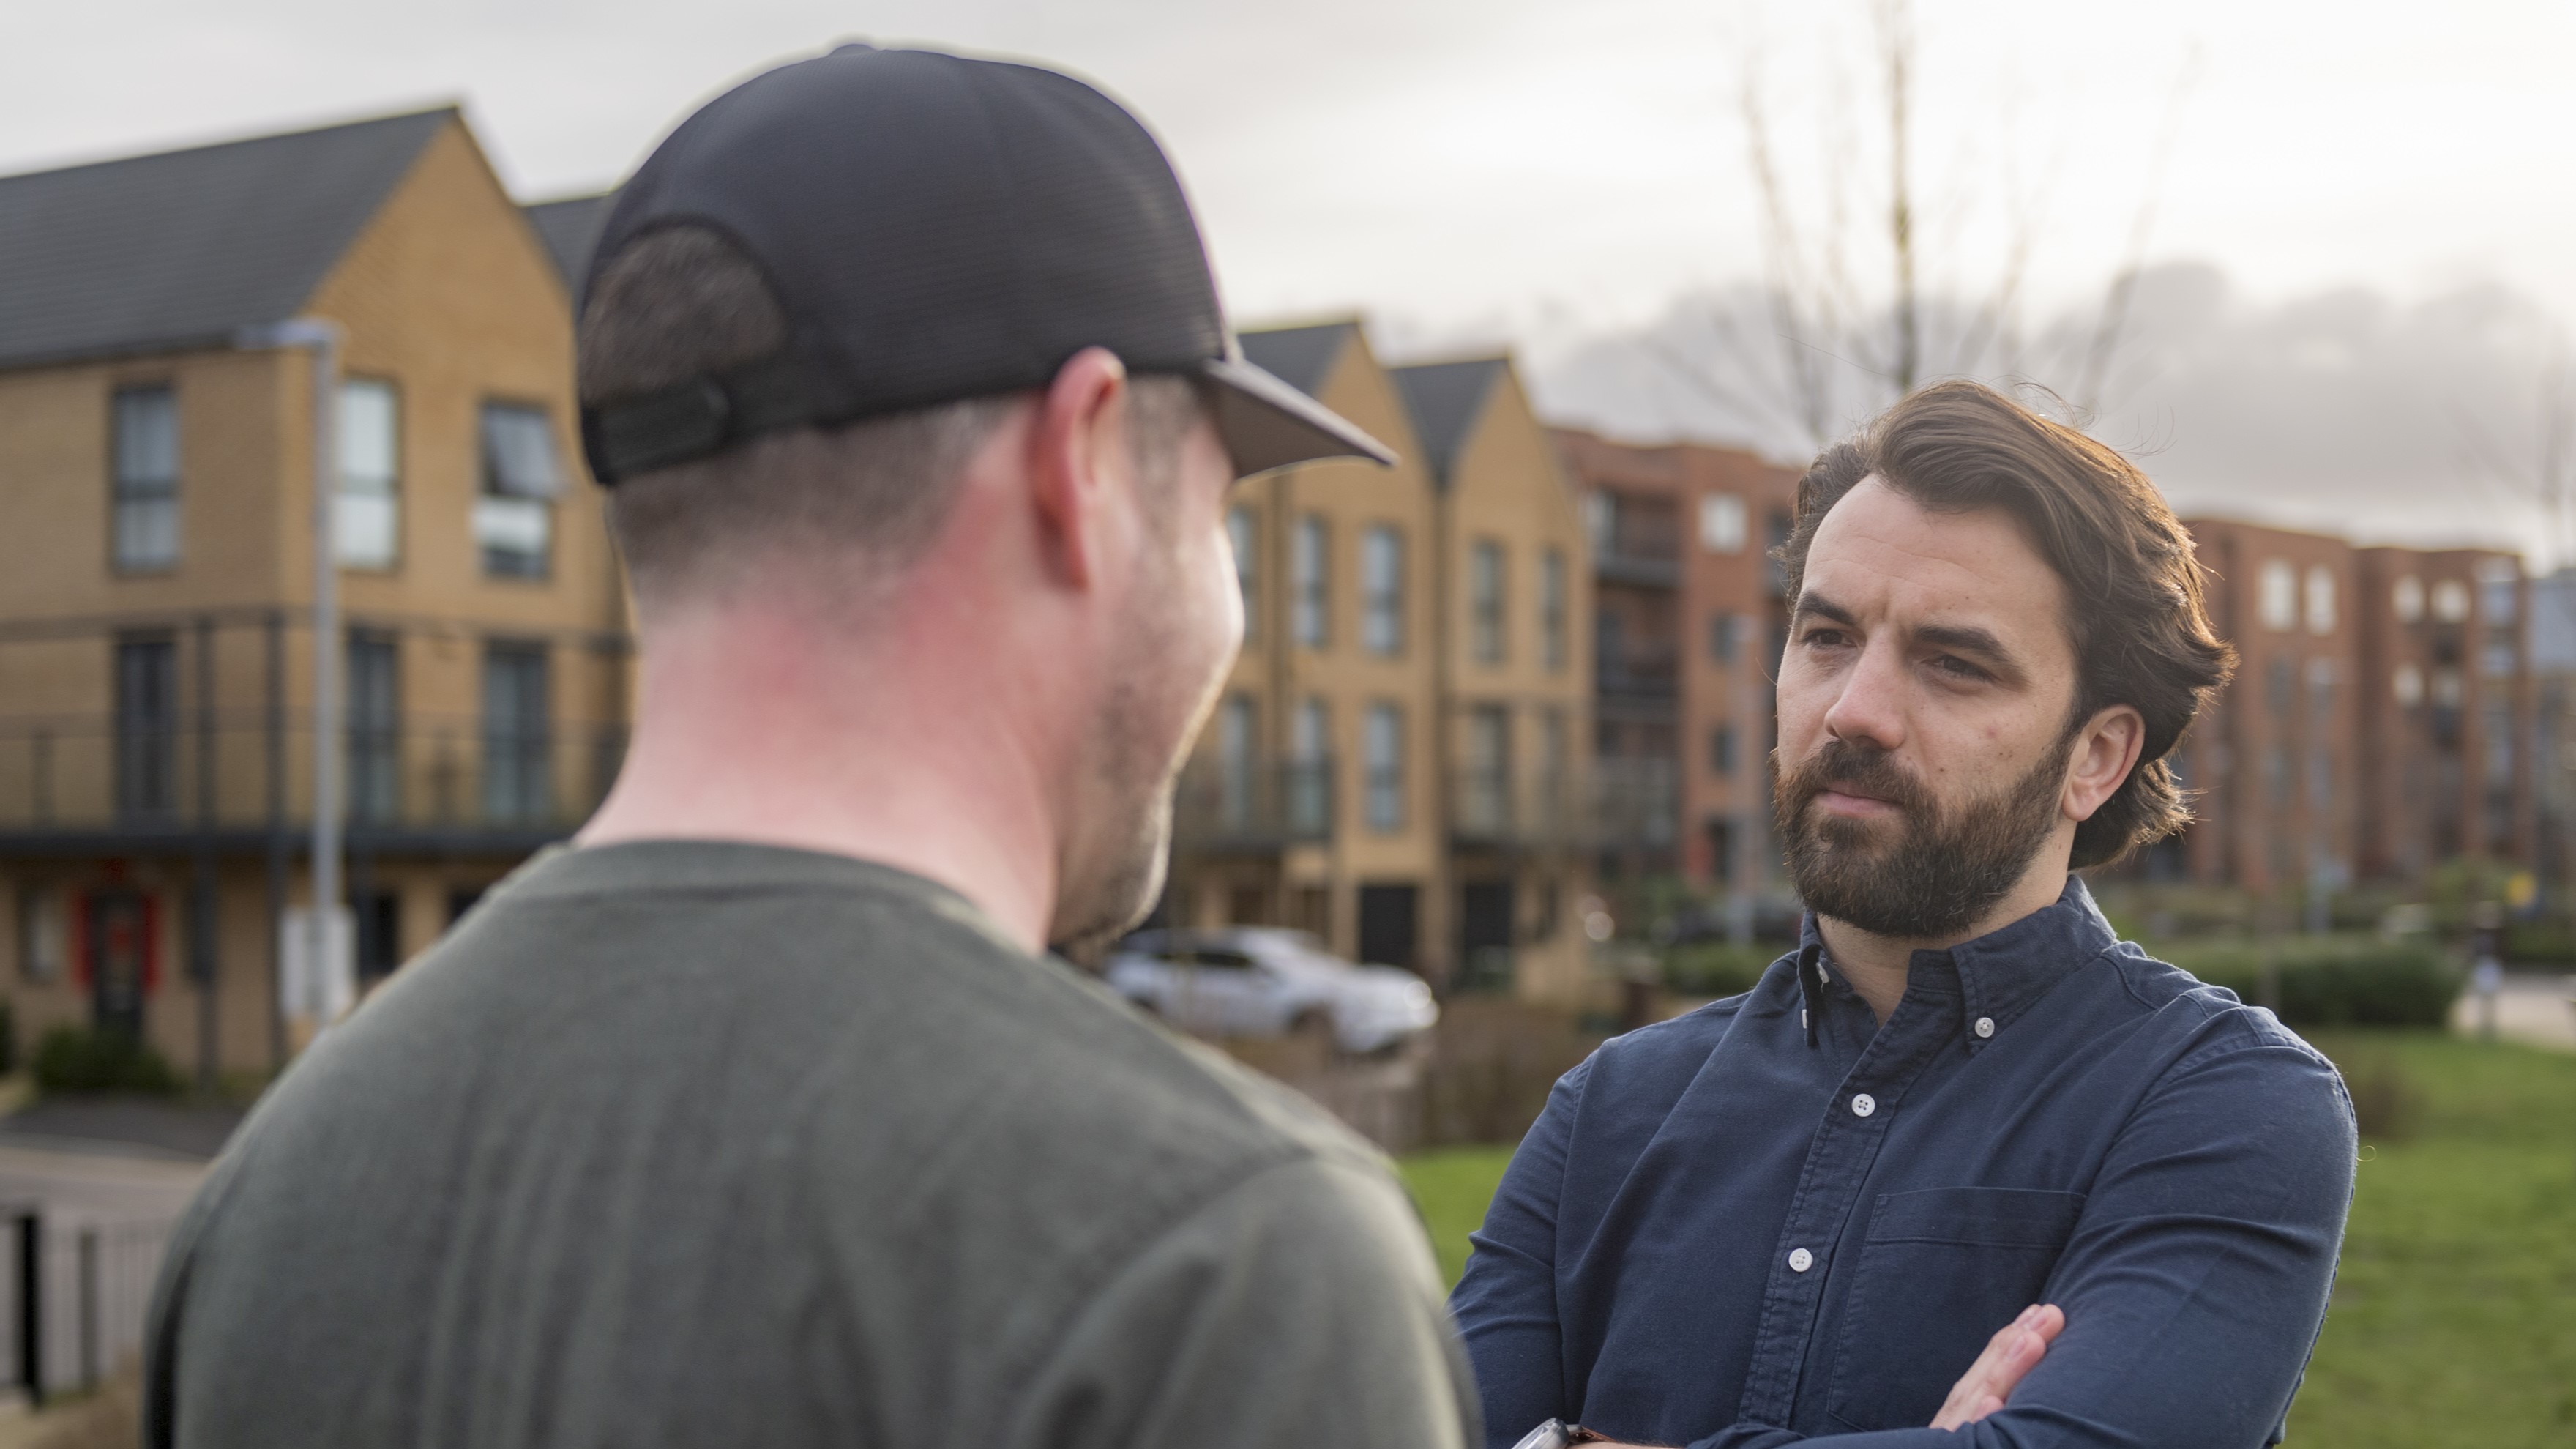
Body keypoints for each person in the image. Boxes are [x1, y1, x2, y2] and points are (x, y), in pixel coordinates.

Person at [143, 44, 1479, 1449]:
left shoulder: (268, 1202)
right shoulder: (1225, 1258)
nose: (1224, 592)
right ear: (1080, 463)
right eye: (1219, 515)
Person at [1453, 382, 2356, 1448]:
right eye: (1826, 637)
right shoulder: (1611, 1113)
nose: (1855, 711)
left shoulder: (2223, 1104)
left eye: (1953, 663)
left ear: (2097, 757)